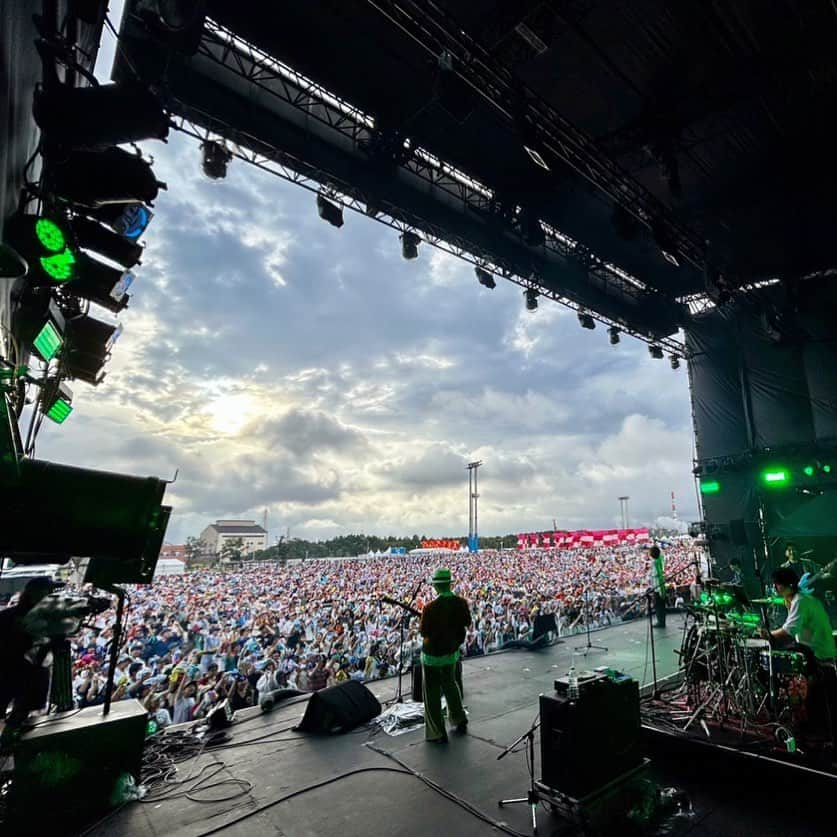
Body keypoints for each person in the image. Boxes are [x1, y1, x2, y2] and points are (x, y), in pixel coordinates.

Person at [0, 578, 58, 750]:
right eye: (47, 593)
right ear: (35, 595)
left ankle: (7, 744)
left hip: (27, 676)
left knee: (21, 713)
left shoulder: (48, 619)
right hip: (11, 673)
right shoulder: (10, 617)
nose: (50, 597)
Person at [419, 567, 471, 743]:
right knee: (451, 684)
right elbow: (466, 622)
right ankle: (459, 718)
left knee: (432, 692)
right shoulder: (461, 603)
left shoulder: (430, 608)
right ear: (450, 583)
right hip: (452, 653)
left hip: (432, 656)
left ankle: (437, 732)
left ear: (435, 586)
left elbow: (423, 633)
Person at [649, 546, 666, 628]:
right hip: (661, 585)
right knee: (662, 604)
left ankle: (660, 622)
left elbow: (654, 573)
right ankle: (663, 621)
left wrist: (650, 574)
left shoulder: (654, 562)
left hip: (657, 586)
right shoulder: (660, 559)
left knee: (658, 605)